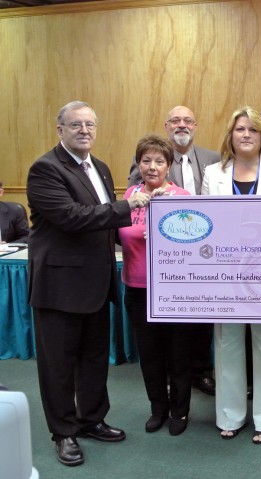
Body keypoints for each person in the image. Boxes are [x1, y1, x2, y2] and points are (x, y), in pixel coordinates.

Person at [26, 101, 151, 466]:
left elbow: (104, 225)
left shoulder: (100, 167)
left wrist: (149, 235)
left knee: (94, 358)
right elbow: (71, 217)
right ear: (59, 130)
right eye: (76, 124)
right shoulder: (44, 169)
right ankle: (63, 432)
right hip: (60, 285)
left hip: (97, 282)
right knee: (59, 364)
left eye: (90, 125)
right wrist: (130, 208)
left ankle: (92, 419)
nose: (84, 130)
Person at [201, 106, 261, 444]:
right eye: (240, 129)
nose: (246, 135)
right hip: (225, 272)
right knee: (227, 342)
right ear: (231, 135)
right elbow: (205, 224)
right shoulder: (213, 174)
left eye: (252, 130)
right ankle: (230, 415)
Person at [128, 106, 220, 397]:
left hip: (196, 262)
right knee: (160, 344)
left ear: (196, 125)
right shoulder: (136, 182)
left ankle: (202, 372)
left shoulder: (213, 160)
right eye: (176, 121)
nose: (182, 125)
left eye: (188, 121)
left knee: (197, 329)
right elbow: (124, 220)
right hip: (145, 277)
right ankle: (166, 388)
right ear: (167, 126)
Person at [120, 134, 193, 436]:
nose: (152, 167)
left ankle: (180, 410)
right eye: (146, 160)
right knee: (149, 354)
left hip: (173, 289)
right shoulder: (129, 196)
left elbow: (195, 243)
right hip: (136, 288)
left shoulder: (183, 197)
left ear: (169, 165)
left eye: (159, 161)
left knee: (178, 353)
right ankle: (157, 408)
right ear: (139, 164)